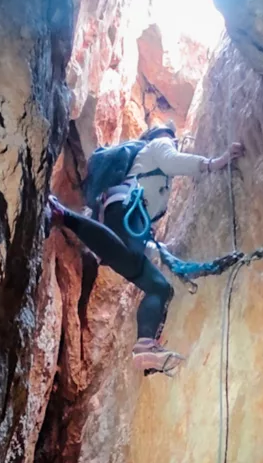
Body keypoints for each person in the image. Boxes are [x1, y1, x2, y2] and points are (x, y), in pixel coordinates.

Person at [45, 124, 245, 374]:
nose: (174, 142)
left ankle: (145, 348)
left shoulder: (154, 175)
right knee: (131, 256)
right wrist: (216, 162)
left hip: (127, 221)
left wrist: (168, 255)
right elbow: (172, 162)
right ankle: (61, 214)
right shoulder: (158, 144)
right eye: (172, 139)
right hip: (126, 208)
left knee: (159, 287)